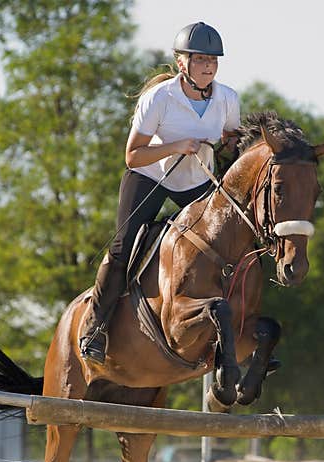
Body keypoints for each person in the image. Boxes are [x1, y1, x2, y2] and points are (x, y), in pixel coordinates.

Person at [79, 21, 241, 364]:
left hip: (197, 179)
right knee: (123, 248)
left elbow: (230, 141)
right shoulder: (160, 97)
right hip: (150, 175)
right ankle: (96, 327)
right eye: (200, 59)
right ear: (181, 62)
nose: (209, 65)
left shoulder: (227, 98)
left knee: (228, 245)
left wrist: (229, 144)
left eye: (213, 60)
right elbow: (132, 154)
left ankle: (238, 331)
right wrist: (176, 146)